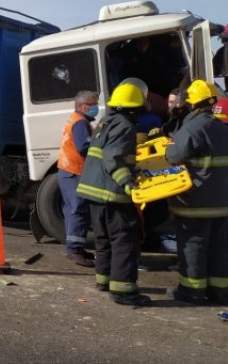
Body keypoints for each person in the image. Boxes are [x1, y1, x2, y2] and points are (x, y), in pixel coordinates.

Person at [76, 80, 151, 307]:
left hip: (93, 190)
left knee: (104, 238)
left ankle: (105, 280)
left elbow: (106, 155)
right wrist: (128, 183)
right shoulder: (126, 126)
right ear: (134, 106)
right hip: (111, 192)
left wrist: (133, 168)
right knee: (124, 241)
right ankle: (123, 291)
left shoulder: (106, 122)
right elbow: (113, 158)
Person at [164, 80, 228, 306]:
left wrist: (169, 145)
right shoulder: (222, 127)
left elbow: (173, 156)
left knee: (193, 247)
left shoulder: (192, 128)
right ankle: (220, 292)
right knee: (220, 249)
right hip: (222, 203)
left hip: (196, 203)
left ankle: (192, 292)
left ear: (192, 104)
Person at [57, 90, 98, 267]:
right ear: (83, 106)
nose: (96, 107)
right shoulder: (80, 123)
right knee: (78, 210)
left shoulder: (76, 119)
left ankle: (75, 248)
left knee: (72, 210)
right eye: (93, 104)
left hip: (67, 171)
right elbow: (84, 148)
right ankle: (74, 250)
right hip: (74, 171)